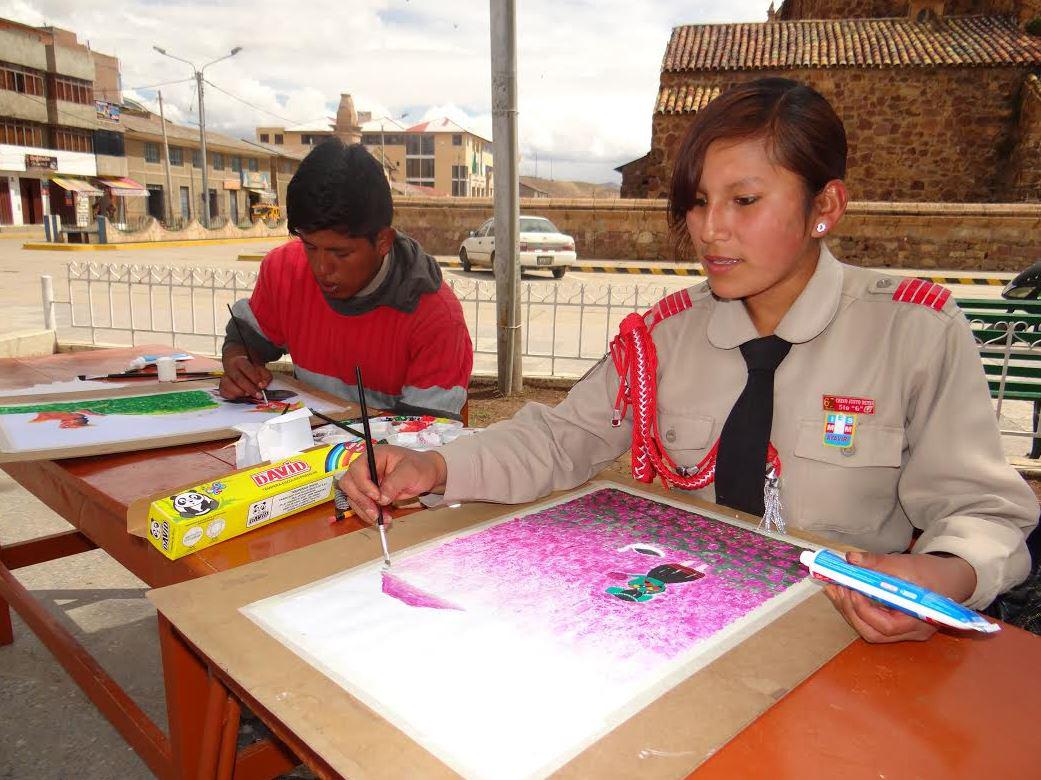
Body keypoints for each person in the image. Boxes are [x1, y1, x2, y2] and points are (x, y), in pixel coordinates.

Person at [339, 78, 1038, 643]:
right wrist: (433, 466)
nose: (710, 229)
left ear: (824, 206)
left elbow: (980, 509)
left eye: (744, 200)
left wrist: (938, 577)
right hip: (680, 625)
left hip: (836, 637)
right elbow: (562, 439)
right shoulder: (663, 338)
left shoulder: (911, 331)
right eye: (699, 202)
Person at [220, 139, 472, 419]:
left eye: (340, 253)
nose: (321, 268)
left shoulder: (435, 317)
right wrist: (238, 361)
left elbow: (424, 436)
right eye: (310, 246)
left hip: (387, 457)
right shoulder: (285, 269)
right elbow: (245, 340)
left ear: (383, 241)